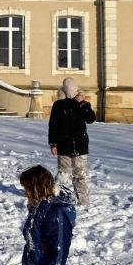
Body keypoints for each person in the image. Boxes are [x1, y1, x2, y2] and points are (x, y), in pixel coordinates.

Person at [16, 165, 77, 265]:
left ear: (37, 189)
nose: (26, 195)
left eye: (28, 190)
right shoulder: (38, 207)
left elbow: (60, 248)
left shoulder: (55, 212)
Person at [47, 77, 96, 206]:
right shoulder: (58, 105)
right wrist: (53, 144)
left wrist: (83, 103)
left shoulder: (83, 103)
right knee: (64, 173)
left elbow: (91, 119)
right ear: (63, 89)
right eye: (68, 88)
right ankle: (55, 196)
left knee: (80, 174)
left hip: (80, 145)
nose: (70, 91)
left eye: (73, 88)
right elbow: (53, 126)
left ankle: (83, 201)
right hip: (63, 145)